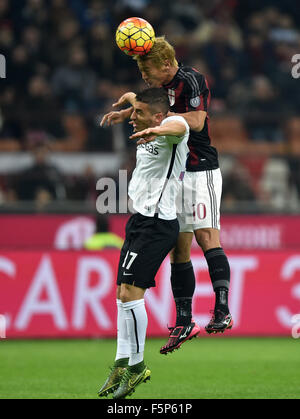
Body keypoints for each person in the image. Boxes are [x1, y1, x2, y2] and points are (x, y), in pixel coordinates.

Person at [101, 36, 233, 355]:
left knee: (206, 236)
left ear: (165, 64)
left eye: (148, 72)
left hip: (200, 168)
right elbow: (152, 107)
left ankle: (222, 309)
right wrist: (133, 108)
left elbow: (198, 121)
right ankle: (185, 319)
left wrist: (161, 125)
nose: (145, 78)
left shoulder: (191, 79)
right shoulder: (162, 89)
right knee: (178, 246)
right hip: (175, 174)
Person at [98, 87, 191, 399]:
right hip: (139, 221)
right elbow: (142, 100)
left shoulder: (172, 133)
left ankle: (137, 368)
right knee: (122, 293)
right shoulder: (145, 117)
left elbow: (181, 125)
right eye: (134, 113)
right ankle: (121, 363)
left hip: (158, 223)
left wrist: (158, 128)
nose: (133, 119)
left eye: (139, 114)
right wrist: (129, 104)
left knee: (134, 294)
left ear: (159, 117)